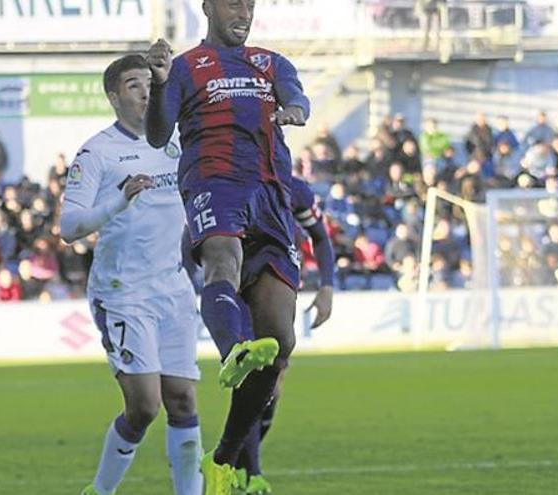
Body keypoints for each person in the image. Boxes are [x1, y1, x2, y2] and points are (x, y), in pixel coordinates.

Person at [146, 1, 310, 492]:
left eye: (250, 4)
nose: (244, 11)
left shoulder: (271, 62)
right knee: (223, 258)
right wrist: (157, 84)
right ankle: (232, 349)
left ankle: (223, 461)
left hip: (271, 195)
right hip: (215, 181)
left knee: (279, 344)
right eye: (233, 3)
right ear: (208, 7)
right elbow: (158, 134)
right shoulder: (182, 69)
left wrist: (295, 111)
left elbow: (297, 98)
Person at [61, 55, 203, 495]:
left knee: (182, 399)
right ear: (113, 96)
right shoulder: (97, 152)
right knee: (144, 406)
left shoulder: (176, 141)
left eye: (148, 84)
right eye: (133, 85)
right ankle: (100, 491)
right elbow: (69, 228)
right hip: (123, 291)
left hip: (173, 286)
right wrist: (117, 203)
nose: (144, 92)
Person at [232, 176, 334, 493]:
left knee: (272, 390)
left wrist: (327, 287)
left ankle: (233, 461)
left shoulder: (296, 190)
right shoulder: (230, 183)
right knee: (255, 379)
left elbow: (320, 237)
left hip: (280, 295)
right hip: (241, 294)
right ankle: (253, 474)